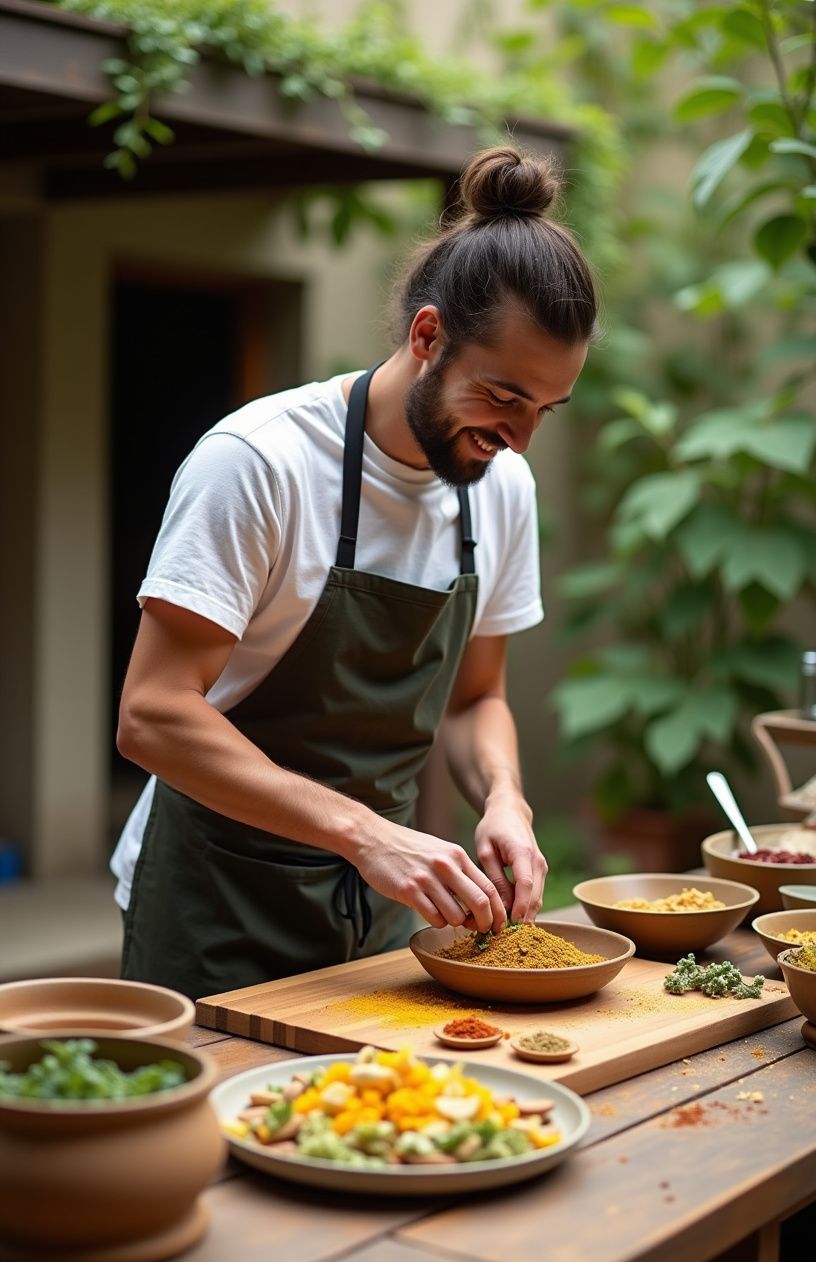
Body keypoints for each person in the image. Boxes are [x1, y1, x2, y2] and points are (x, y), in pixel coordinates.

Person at [112, 143, 598, 1001]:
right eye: (503, 397)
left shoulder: (502, 488)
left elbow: (475, 699)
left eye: (545, 410)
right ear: (427, 336)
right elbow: (152, 716)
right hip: (215, 903)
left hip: (378, 908)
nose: (520, 439)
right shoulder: (259, 463)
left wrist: (504, 799)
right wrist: (365, 832)